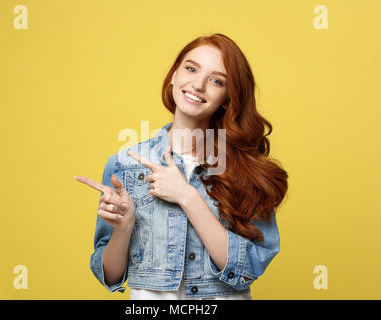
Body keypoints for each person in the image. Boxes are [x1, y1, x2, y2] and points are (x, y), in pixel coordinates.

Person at [75, 33, 288, 300]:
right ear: (174, 75)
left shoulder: (245, 170)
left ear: (227, 97)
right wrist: (124, 226)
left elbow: (250, 268)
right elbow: (110, 275)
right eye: (191, 69)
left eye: (216, 80)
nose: (198, 84)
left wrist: (187, 196)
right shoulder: (125, 164)